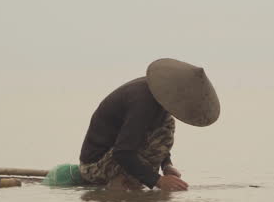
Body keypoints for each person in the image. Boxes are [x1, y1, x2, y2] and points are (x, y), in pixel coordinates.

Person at [79, 58, 220, 191]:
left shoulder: (158, 101)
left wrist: (166, 165)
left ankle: (131, 178)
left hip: (117, 156)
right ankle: (118, 180)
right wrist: (158, 180)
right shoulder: (143, 102)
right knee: (166, 125)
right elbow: (122, 152)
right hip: (94, 168)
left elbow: (155, 137)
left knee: (167, 123)